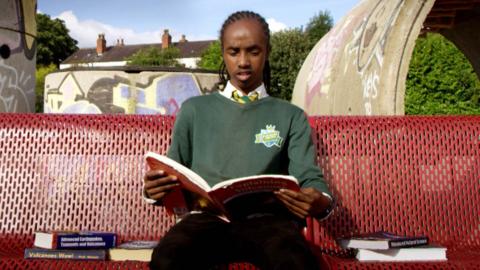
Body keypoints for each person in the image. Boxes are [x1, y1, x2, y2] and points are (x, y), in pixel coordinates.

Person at [143, 10, 335, 270]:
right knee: (167, 259)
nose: (243, 61)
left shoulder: (291, 116)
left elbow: (311, 178)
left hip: (268, 223)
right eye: (234, 52)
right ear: (223, 53)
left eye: (253, 51)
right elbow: (172, 171)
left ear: (266, 51)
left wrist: (318, 200)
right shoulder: (194, 110)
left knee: (295, 261)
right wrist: (154, 190)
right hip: (204, 221)